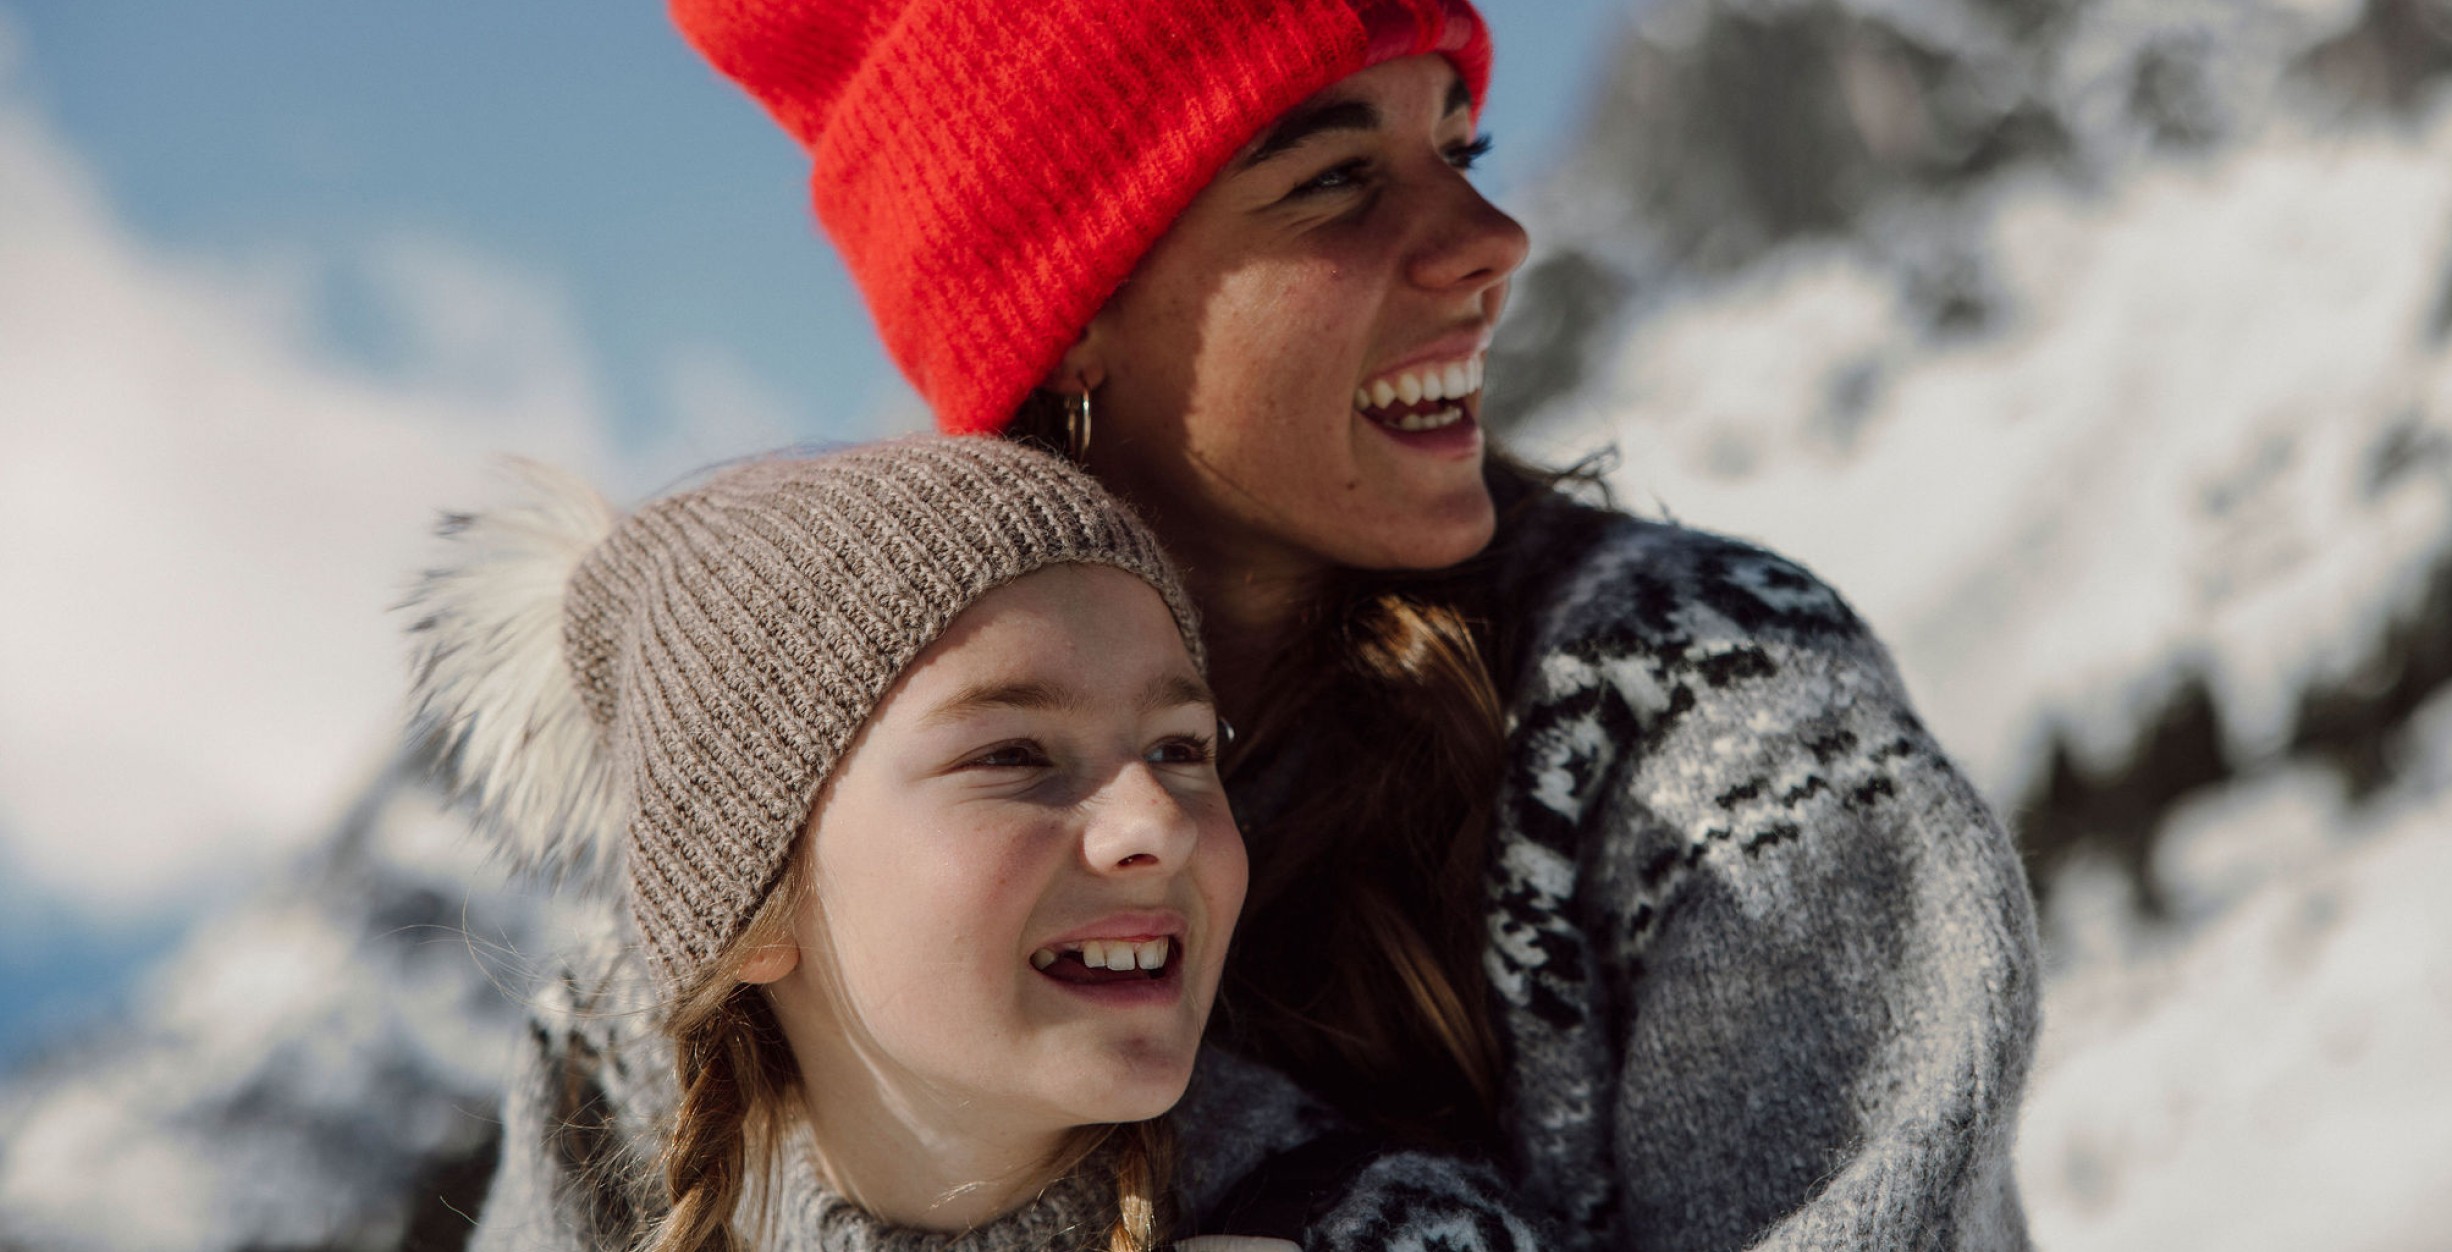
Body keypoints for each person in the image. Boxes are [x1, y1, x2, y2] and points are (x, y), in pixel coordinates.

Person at [663, 2, 2043, 1249]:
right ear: (1074, 313)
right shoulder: (777, 832)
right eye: (1333, 180)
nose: (1492, 244)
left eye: (1463, 143)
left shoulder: (1718, 721)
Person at [405, 437, 1549, 1249]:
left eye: (1182, 745)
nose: (1153, 821)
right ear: (754, 903)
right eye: (1013, 756)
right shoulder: (599, 1111)